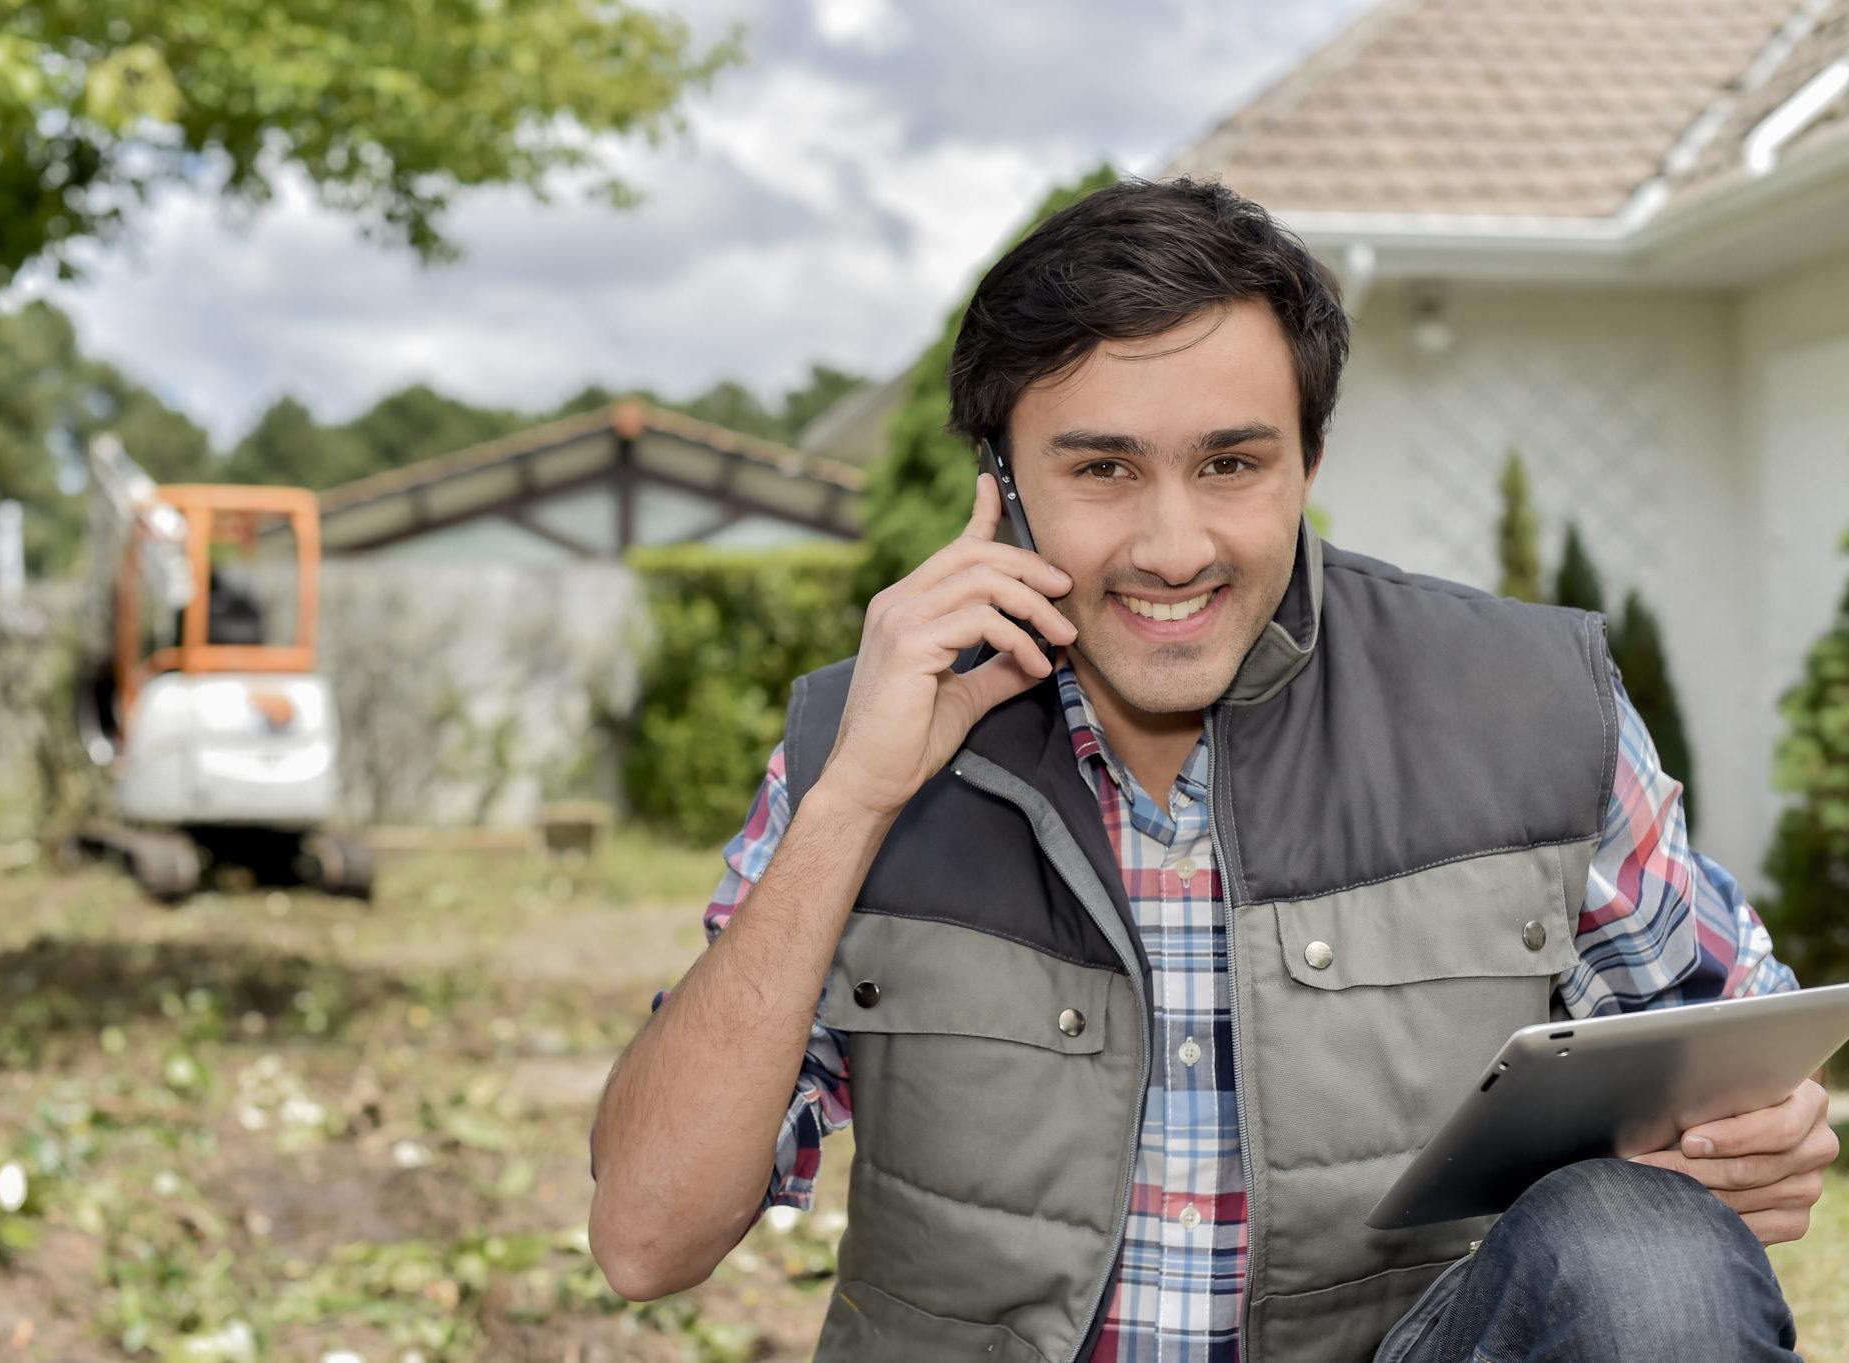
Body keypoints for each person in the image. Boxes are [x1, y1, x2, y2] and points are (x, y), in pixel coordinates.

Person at [586, 176, 1833, 1362]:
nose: (1171, 548)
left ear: (1306, 465)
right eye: (1101, 468)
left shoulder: (1528, 707)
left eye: (1230, 465)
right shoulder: (859, 738)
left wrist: (1763, 1138)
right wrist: (852, 799)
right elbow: (645, 1238)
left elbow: (1741, 1068)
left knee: (1648, 1254)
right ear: (1002, 483)